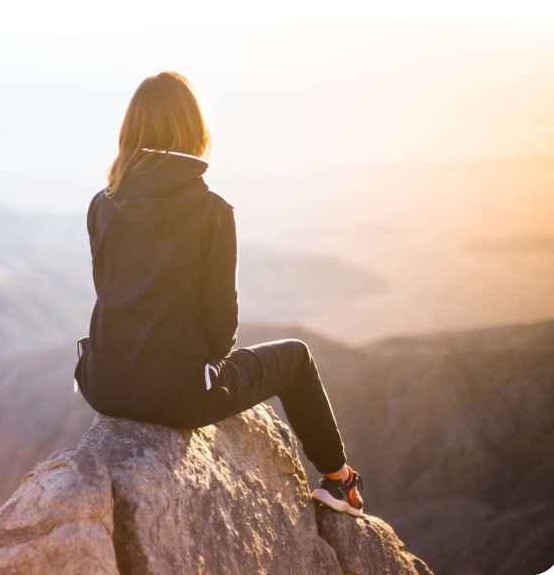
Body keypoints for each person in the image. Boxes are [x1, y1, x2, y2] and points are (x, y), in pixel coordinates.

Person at [73, 71, 364, 516]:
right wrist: (198, 372)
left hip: (102, 384)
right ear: (194, 130)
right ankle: (339, 480)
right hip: (180, 397)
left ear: (130, 131)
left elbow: (111, 292)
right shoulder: (212, 212)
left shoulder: (101, 202)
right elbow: (222, 329)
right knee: (298, 359)